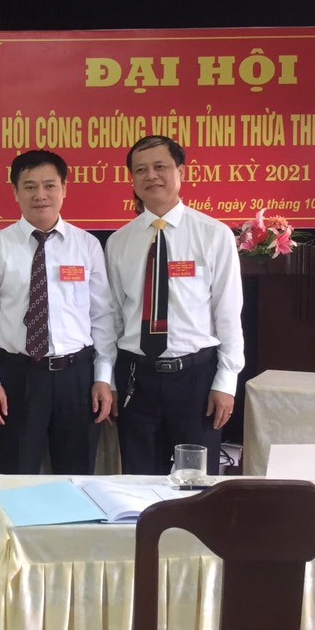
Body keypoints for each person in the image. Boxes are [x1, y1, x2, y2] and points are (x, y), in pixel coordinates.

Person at [0, 149, 114, 475]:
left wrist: (103, 378)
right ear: (15, 192)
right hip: (19, 377)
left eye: (49, 185)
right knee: (18, 478)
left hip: (77, 378)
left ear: (64, 188)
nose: (40, 195)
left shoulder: (87, 245)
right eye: (30, 186)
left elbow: (103, 317)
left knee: (76, 480)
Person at [104, 135, 244, 476]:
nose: (151, 176)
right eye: (141, 170)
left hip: (196, 379)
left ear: (181, 172)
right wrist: (109, 380)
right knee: (138, 483)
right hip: (136, 378)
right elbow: (113, 317)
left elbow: (228, 313)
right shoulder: (119, 242)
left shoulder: (214, 234)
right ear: (132, 179)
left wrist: (226, 382)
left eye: (160, 167)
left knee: (196, 487)